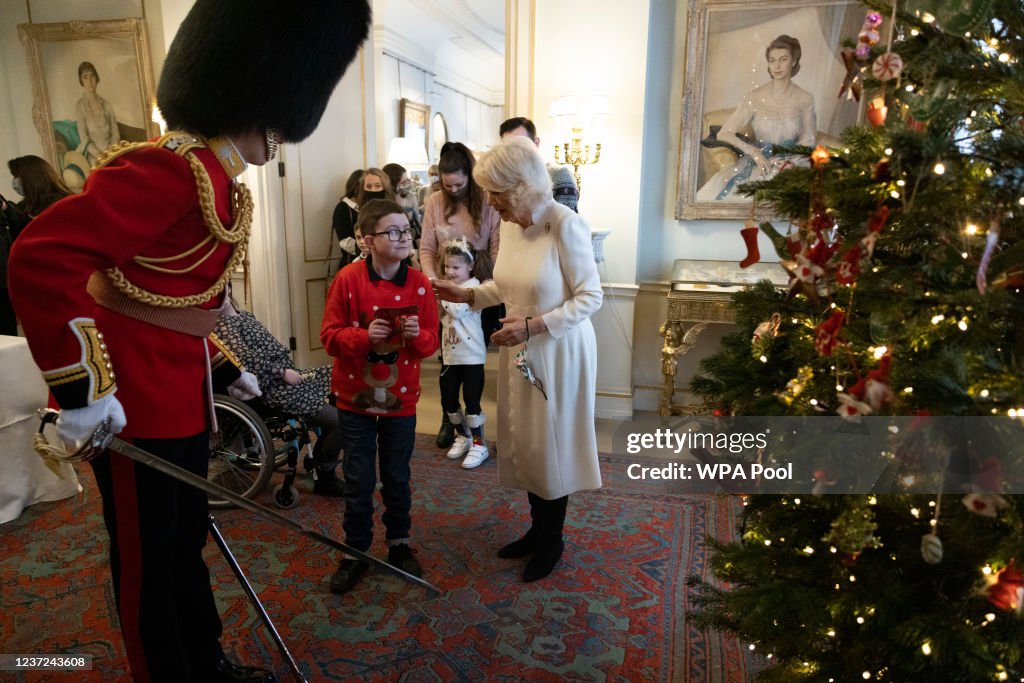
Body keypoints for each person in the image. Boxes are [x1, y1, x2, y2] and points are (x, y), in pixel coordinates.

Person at [7, 1, 370, 681]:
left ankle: (202, 660)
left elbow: (167, 298)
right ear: (254, 102)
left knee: (182, 545)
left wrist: (222, 368)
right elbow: (38, 259)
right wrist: (81, 392)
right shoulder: (168, 170)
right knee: (148, 565)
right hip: (131, 409)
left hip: (177, 398)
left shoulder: (211, 179)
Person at [432, 137, 603, 582]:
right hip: (520, 345)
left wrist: (533, 326)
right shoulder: (510, 226)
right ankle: (536, 530)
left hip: (559, 349)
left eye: (497, 193)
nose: (490, 202)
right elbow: (508, 290)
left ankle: (553, 540)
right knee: (526, 441)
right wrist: (467, 294)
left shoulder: (564, 224)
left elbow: (591, 298)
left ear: (523, 186)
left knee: (552, 447)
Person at [320, 199, 439, 594]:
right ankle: (355, 550)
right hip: (354, 399)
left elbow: (430, 344)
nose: (404, 238)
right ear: (368, 240)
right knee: (358, 476)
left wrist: (414, 335)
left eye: (406, 230)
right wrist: (361, 337)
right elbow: (329, 337)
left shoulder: (420, 284)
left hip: (400, 402)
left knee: (397, 474)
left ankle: (399, 544)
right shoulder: (348, 280)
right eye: (393, 232)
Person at [213, 297, 344, 496]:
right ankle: (325, 474)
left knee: (338, 378)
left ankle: (319, 457)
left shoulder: (245, 315)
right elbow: (247, 363)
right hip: (272, 387)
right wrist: (282, 373)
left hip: (286, 376)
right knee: (342, 423)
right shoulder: (221, 325)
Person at [419, 141, 500, 449]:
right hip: (443, 284)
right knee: (448, 354)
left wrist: (484, 287)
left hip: (479, 282)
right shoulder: (435, 202)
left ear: (470, 176)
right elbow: (427, 247)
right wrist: (433, 282)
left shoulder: (487, 201)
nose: (452, 189)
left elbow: (496, 247)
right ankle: (449, 418)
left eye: (459, 184)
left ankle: (475, 419)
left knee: (474, 355)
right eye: (446, 183)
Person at [696, 34, 816, 202]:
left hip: (790, 166)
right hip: (758, 163)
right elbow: (724, 133)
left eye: (783, 59)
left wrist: (789, 162)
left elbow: (807, 141)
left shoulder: (805, 99)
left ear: (794, 61)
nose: (777, 65)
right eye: (772, 60)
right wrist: (753, 152)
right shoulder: (755, 97)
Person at [437, 237, 493, 469]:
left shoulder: (474, 288)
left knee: (471, 400)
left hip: (471, 356)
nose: (450, 272)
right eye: (447, 267)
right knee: (448, 399)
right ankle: (463, 435)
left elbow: (458, 310)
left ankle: (480, 443)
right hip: (450, 355)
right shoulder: (447, 287)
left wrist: (440, 292)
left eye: (456, 267)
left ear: (469, 266)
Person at [1, 156, 72, 335]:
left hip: (65, 283)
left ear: (31, 176)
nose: (14, 182)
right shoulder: (23, 207)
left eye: (15, 175)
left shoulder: (67, 204)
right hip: (36, 287)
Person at [499, 116, 579, 212]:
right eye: (508, 147)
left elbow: (564, 222)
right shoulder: (503, 180)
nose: (515, 152)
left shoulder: (559, 176)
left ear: (536, 142)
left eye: (521, 143)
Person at [74, 61, 122, 167]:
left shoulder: (107, 105)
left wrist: (109, 153)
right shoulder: (80, 106)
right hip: (92, 155)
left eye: (92, 76)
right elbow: (84, 137)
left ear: (97, 78)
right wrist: (100, 156)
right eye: (85, 77)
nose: (90, 81)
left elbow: (115, 134)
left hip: (111, 153)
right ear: (81, 81)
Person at [382, 162, 422, 245]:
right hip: (390, 242)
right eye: (403, 182)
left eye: (407, 180)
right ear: (392, 184)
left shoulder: (410, 197)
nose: (407, 184)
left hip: (410, 239)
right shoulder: (383, 202)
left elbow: (417, 224)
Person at [331, 168, 363, 271]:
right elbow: (345, 242)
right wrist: (367, 250)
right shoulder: (343, 208)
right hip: (352, 263)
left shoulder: (366, 206)